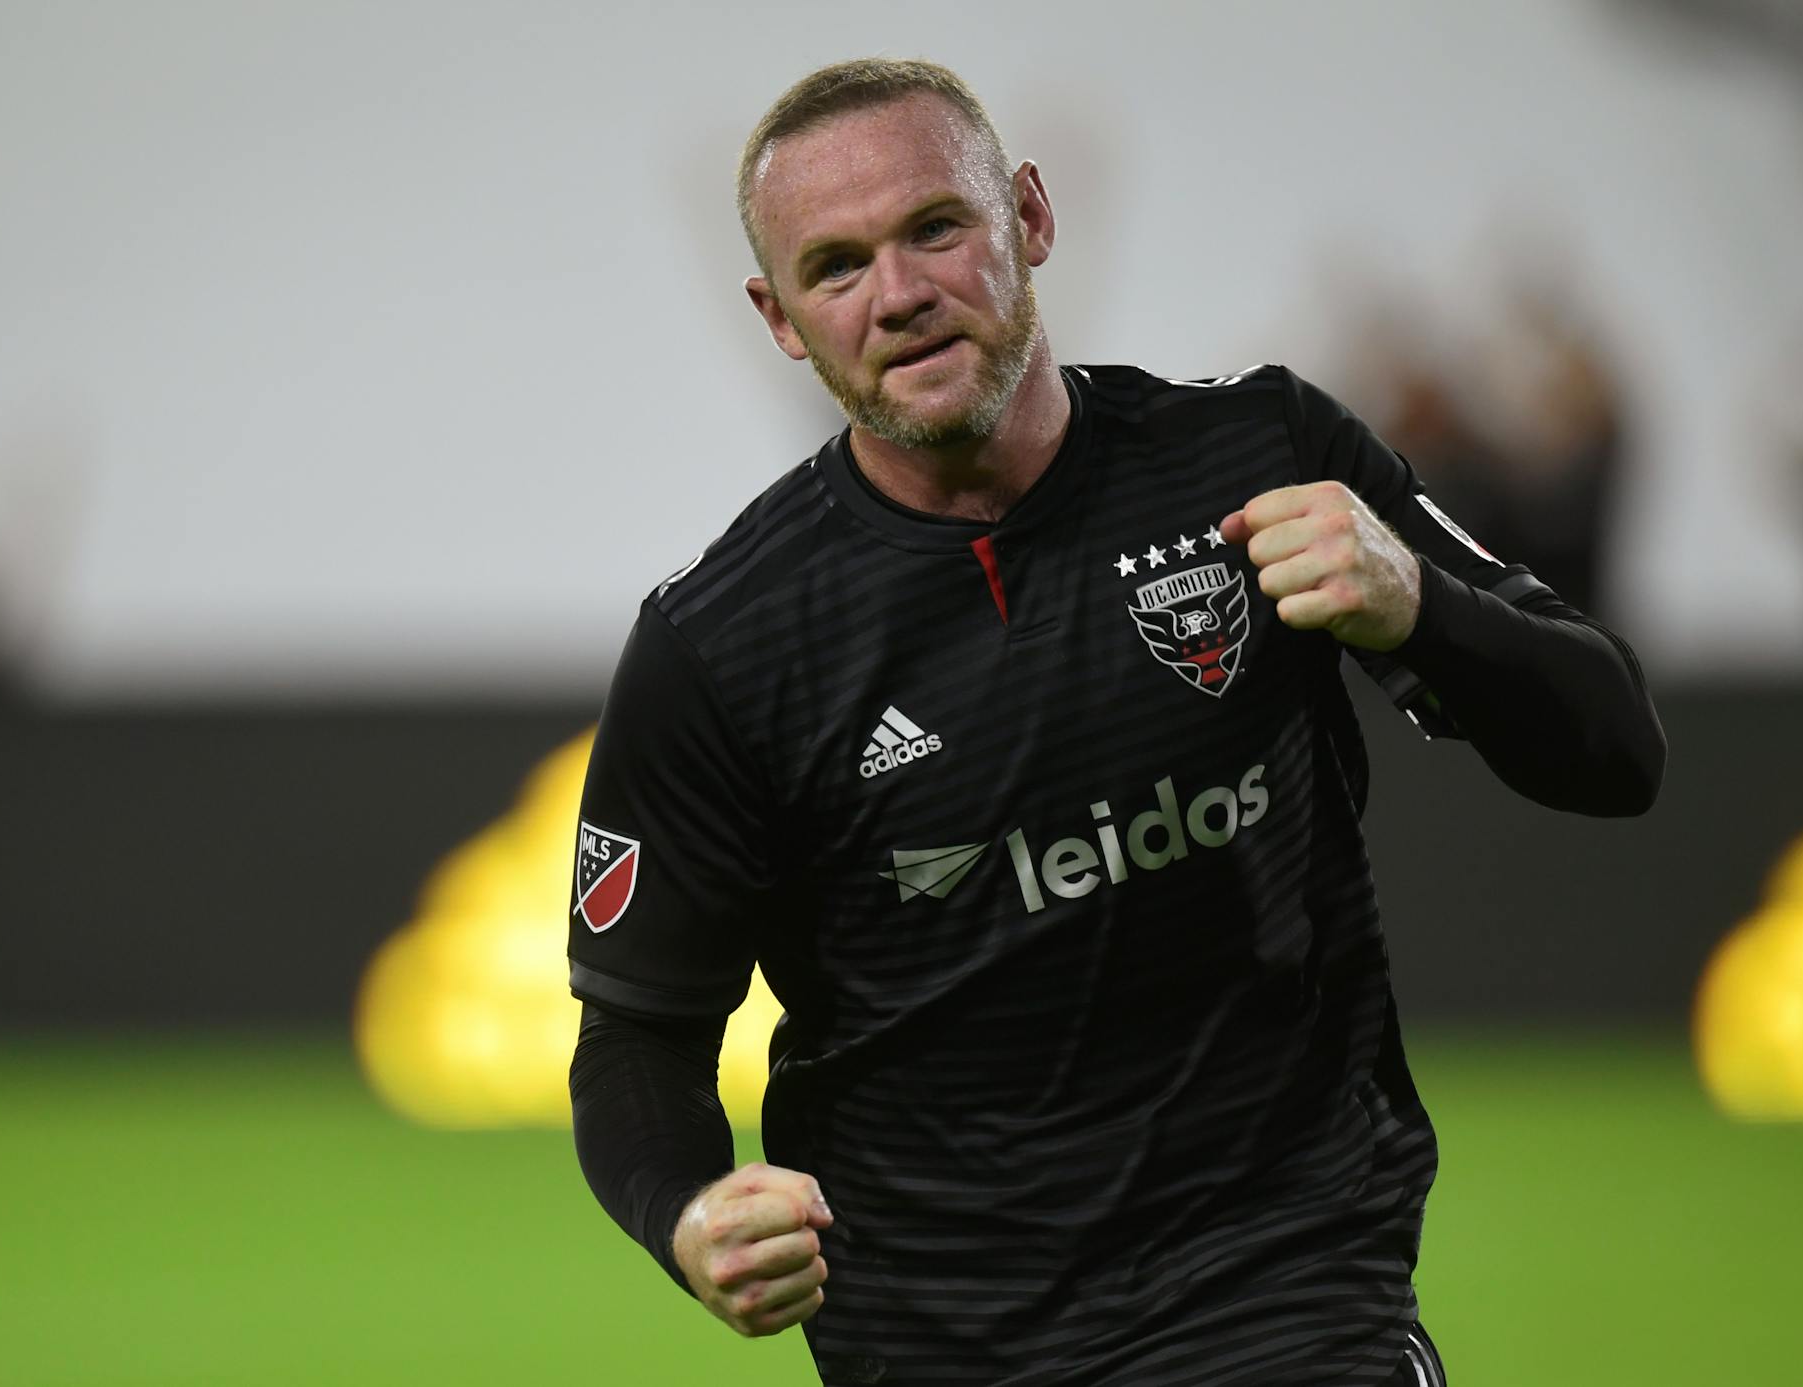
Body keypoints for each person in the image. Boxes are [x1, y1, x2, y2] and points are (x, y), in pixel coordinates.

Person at [566, 58, 1663, 1387]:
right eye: (837, 266)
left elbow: (1613, 750)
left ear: (1028, 218)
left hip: (1288, 1302)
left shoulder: (1259, 456)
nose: (900, 294)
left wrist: (1421, 603)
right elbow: (638, 1034)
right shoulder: (722, 643)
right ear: (782, 317)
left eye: (936, 228)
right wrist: (686, 1210)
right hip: (941, 1340)